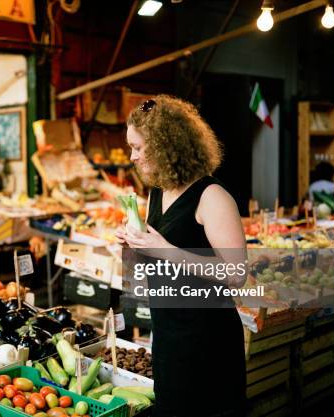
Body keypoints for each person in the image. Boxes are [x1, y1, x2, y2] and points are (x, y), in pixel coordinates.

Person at [115, 95, 246, 417]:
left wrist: (165, 249)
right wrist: (132, 245)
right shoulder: (157, 193)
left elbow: (237, 274)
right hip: (169, 336)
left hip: (208, 341)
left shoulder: (212, 197)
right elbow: (151, 263)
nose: (132, 157)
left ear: (165, 146)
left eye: (138, 147)